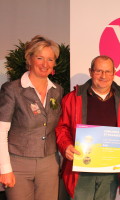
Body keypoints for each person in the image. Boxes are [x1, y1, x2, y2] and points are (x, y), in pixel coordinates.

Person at [56, 55, 120, 200]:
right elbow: (62, 128)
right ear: (91, 72)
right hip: (81, 169)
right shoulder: (72, 98)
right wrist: (66, 146)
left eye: (108, 71)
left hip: (111, 171)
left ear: (114, 73)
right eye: (98, 71)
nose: (103, 76)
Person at [0, 35, 64, 200]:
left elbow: (58, 127)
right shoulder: (12, 89)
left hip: (49, 163)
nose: (45, 64)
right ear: (29, 59)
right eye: (40, 58)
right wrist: (5, 168)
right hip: (18, 164)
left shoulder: (57, 90)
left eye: (50, 59)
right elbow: (1, 132)